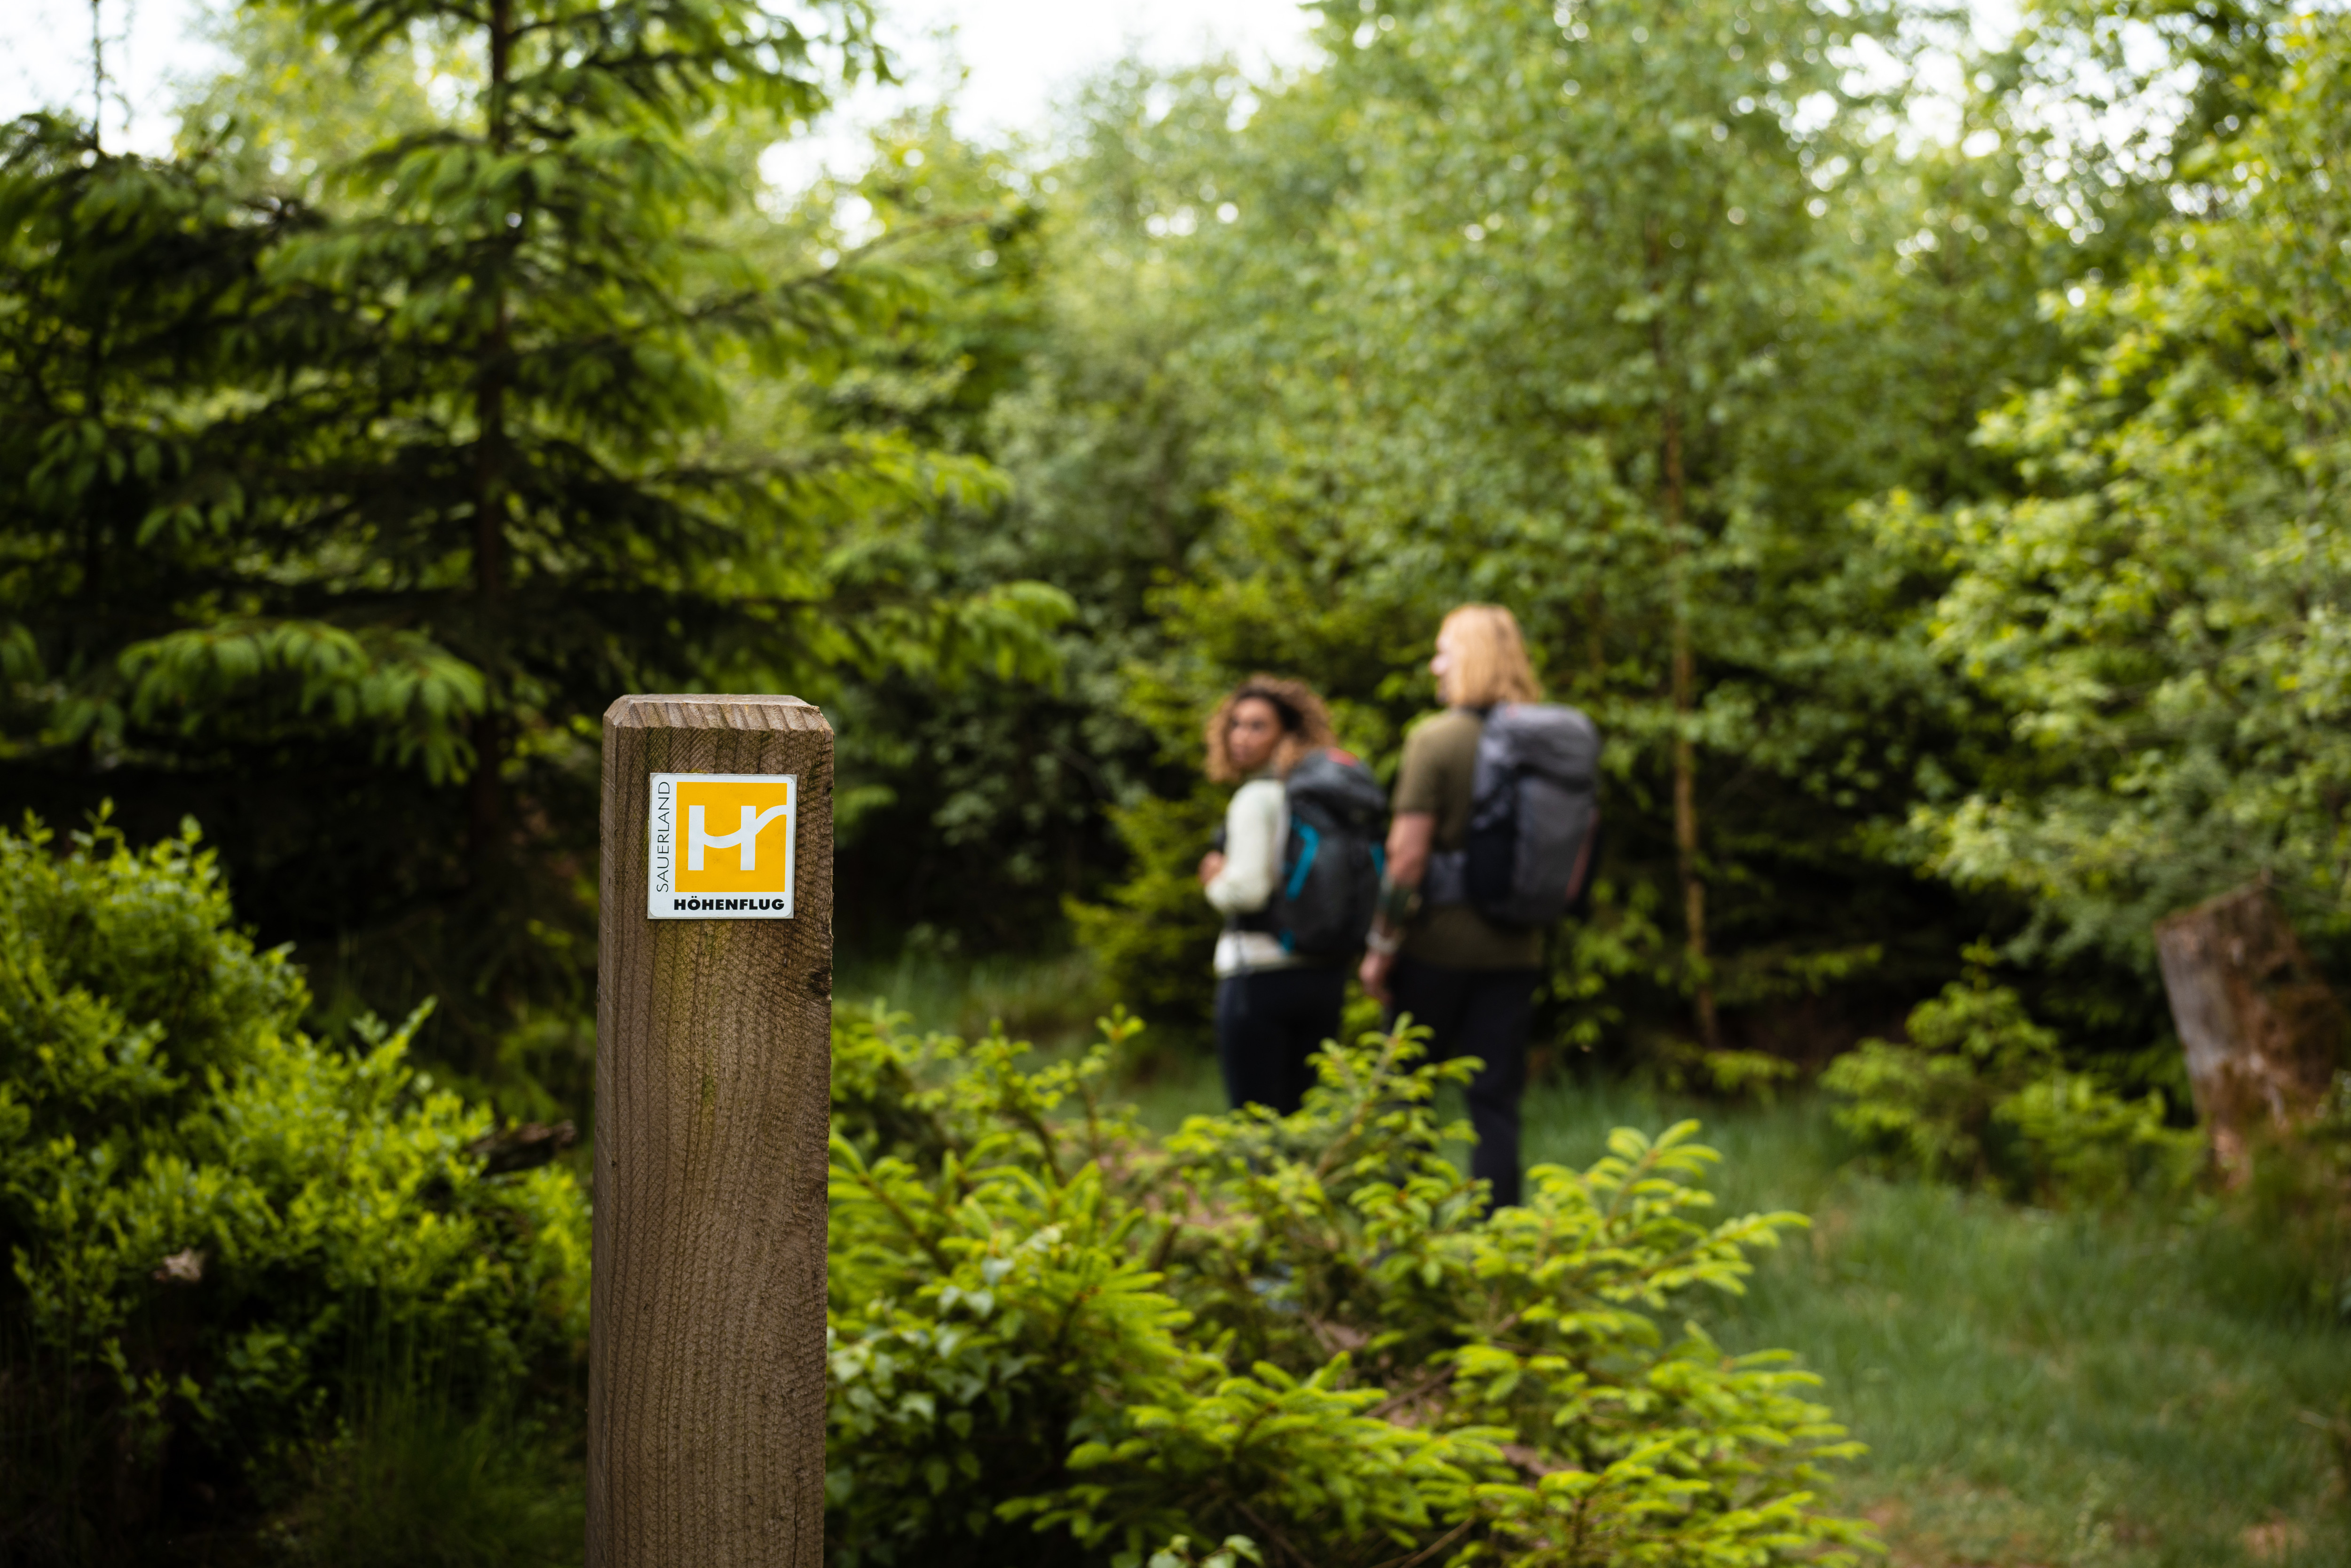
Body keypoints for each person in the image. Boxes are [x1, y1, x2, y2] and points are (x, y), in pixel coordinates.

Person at [1358, 605, 1559, 1209]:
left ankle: (1404, 1237)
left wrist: (1380, 947)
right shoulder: (1542, 744)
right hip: (1517, 946)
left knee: (1406, 1094)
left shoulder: (1436, 738)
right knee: (1495, 1101)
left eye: (1443, 650)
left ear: (1469, 657)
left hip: (1436, 949)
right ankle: (1499, 1239)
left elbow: (1405, 858)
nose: (1433, 664)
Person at [1198, 676, 1348, 1115]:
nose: (1241, 737)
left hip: (1257, 974)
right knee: (1301, 1119)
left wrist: (1214, 881)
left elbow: (1246, 891)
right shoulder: (1323, 797)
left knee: (1257, 1122)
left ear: (1287, 735)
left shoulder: (1254, 799)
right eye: (1236, 725)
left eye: (1257, 726)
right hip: (1322, 974)